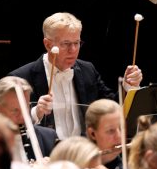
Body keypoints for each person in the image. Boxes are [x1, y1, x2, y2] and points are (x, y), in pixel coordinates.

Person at [9, 12, 140, 139]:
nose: (73, 50)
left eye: (76, 43)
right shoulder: (21, 78)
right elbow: (9, 125)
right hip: (47, 151)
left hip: (85, 149)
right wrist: (36, 113)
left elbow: (111, 108)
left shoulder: (87, 70)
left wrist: (128, 86)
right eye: (65, 44)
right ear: (48, 44)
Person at [0, 75, 59, 162]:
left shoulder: (49, 137)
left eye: (25, 108)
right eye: (15, 110)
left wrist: (51, 167)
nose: (23, 117)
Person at [84, 98, 127, 169]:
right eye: (111, 131)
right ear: (92, 134)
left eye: (121, 128)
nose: (119, 136)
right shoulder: (73, 164)